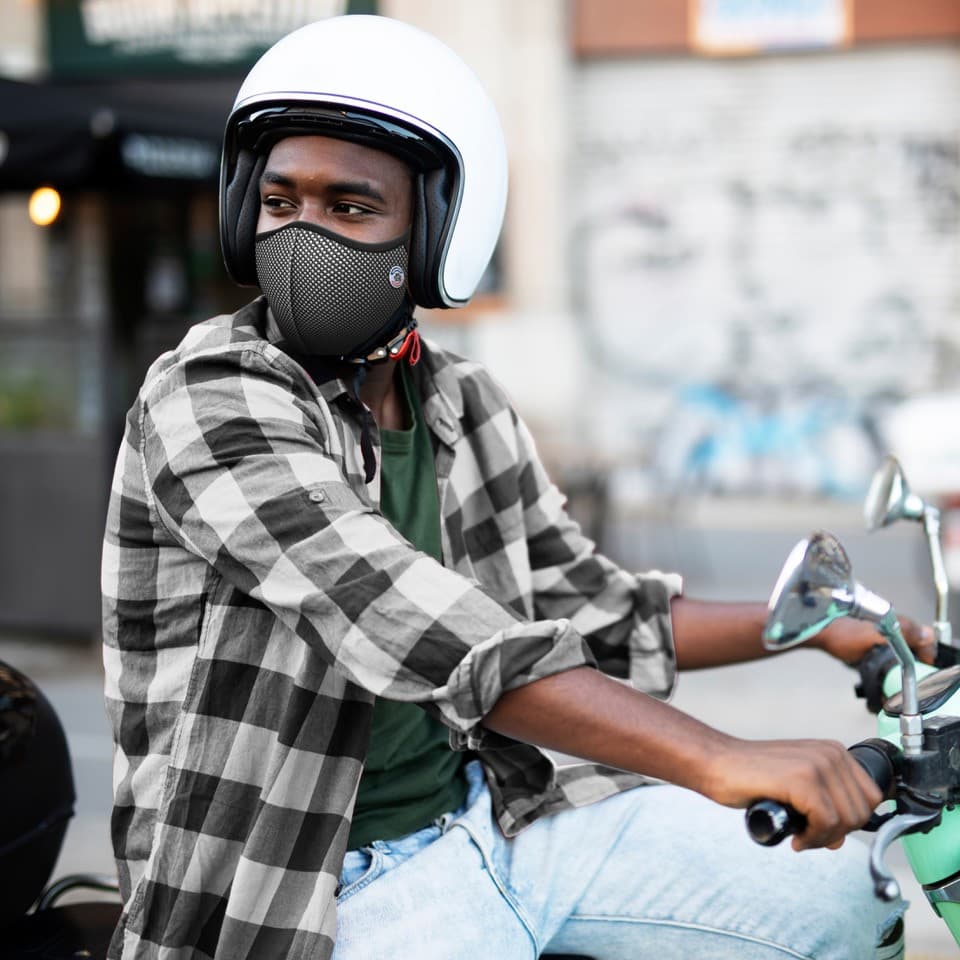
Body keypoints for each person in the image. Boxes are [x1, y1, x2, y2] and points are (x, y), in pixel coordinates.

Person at [101, 15, 933, 960]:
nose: (304, 234)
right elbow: (414, 622)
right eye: (282, 201)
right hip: (311, 882)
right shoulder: (211, 395)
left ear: (437, 232)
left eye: (350, 207)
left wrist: (818, 625)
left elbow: (590, 610)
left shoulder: (461, 400)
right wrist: (719, 755)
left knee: (841, 905)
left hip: (498, 815)